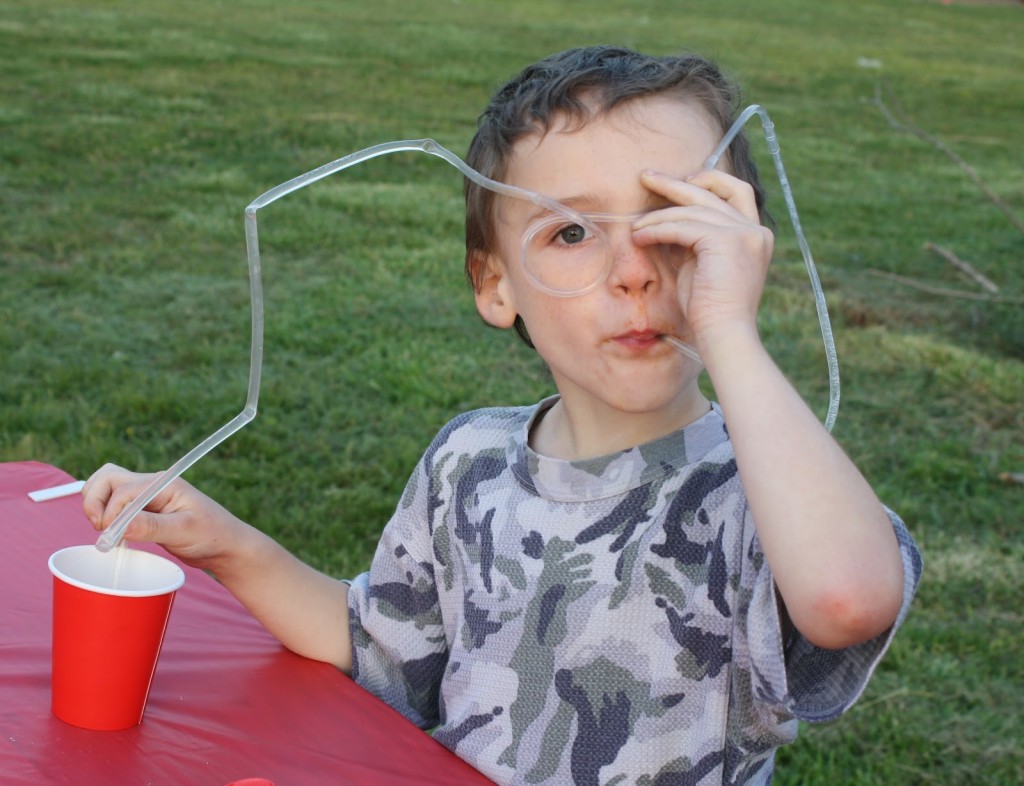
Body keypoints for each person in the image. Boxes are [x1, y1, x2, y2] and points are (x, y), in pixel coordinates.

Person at [83, 46, 922, 786]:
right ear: (495, 286)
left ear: (740, 247)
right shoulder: (468, 462)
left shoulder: (764, 493)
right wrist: (227, 545)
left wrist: (728, 328)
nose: (633, 271)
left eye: (673, 222)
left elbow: (848, 598)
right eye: (571, 234)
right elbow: (380, 648)